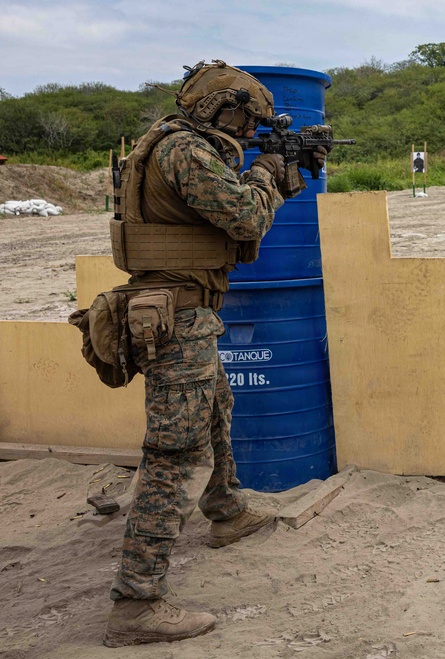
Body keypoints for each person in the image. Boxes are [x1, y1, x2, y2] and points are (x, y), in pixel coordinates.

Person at [102, 60, 312, 648]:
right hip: (178, 317)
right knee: (174, 454)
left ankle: (226, 510)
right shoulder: (185, 151)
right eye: (247, 120)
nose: (249, 131)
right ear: (220, 108)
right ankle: (137, 602)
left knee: (216, 410)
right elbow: (245, 217)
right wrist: (267, 173)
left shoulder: (170, 144)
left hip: (185, 312)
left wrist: (274, 167)